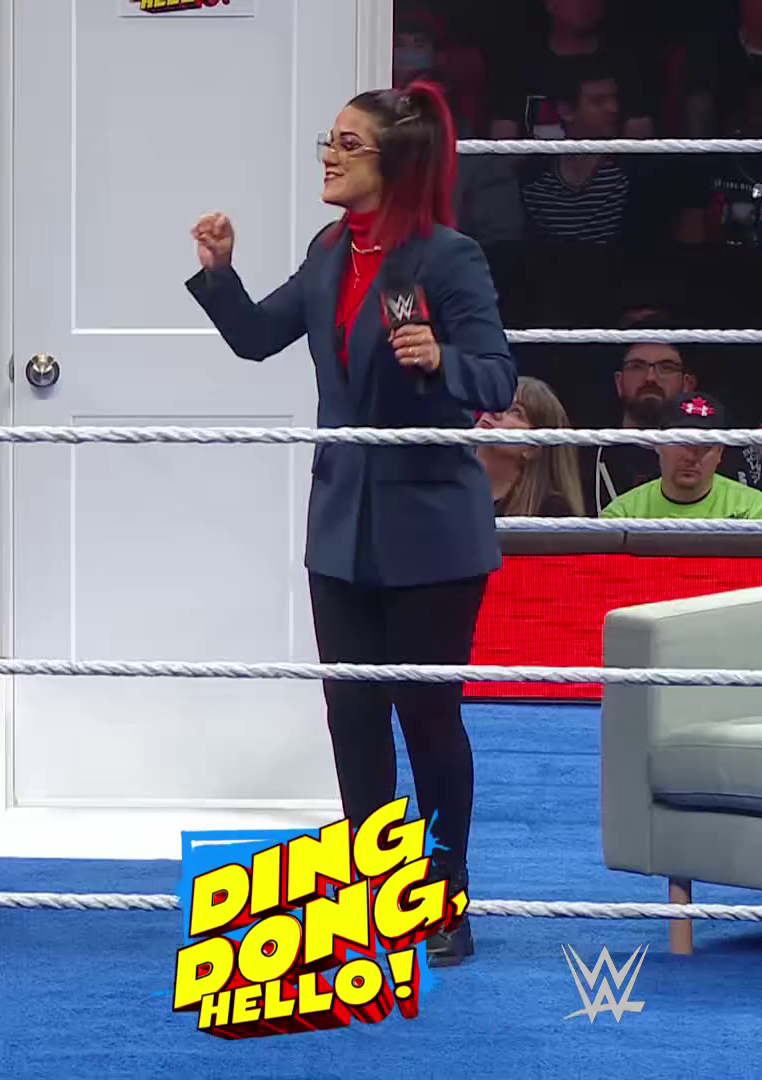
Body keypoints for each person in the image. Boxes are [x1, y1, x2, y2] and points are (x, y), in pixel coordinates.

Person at [184, 80, 515, 968]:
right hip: (341, 527)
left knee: (428, 718)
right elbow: (257, 337)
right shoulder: (331, 250)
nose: (329, 157)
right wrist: (220, 273)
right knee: (352, 718)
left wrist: (443, 359)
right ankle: (376, 896)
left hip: (431, 529)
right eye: (327, 141)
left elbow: (498, 378)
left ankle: (445, 898)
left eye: (347, 143)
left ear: (394, 160)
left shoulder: (448, 257)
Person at [601, 393, 762, 520]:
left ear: (720, 452)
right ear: (658, 444)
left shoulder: (753, 510)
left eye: (705, 445)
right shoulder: (622, 514)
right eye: (681, 441)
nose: (691, 456)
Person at [475, 376, 585, 517]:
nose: (495, 413)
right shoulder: (451, 487)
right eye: (496, 402)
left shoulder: (552, 512)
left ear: (533, 447)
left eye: (516, 412)